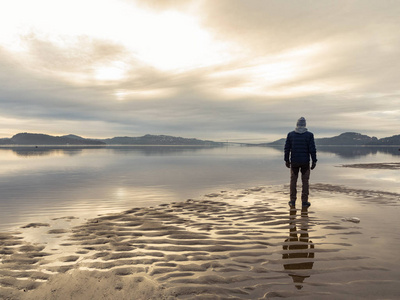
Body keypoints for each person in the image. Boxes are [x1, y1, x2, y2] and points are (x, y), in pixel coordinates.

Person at [284, 117, 317, 207]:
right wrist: (314, 161)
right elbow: (312, 149)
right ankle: (304, 202)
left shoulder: (291, 135)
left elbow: (287, 149)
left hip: (294, 161)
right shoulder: (309, 135)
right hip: (305, 162)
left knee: (293, 181)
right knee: (305, 182)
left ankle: (292, 201)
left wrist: (286, 160)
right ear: (305, 124)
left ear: (297, 124)